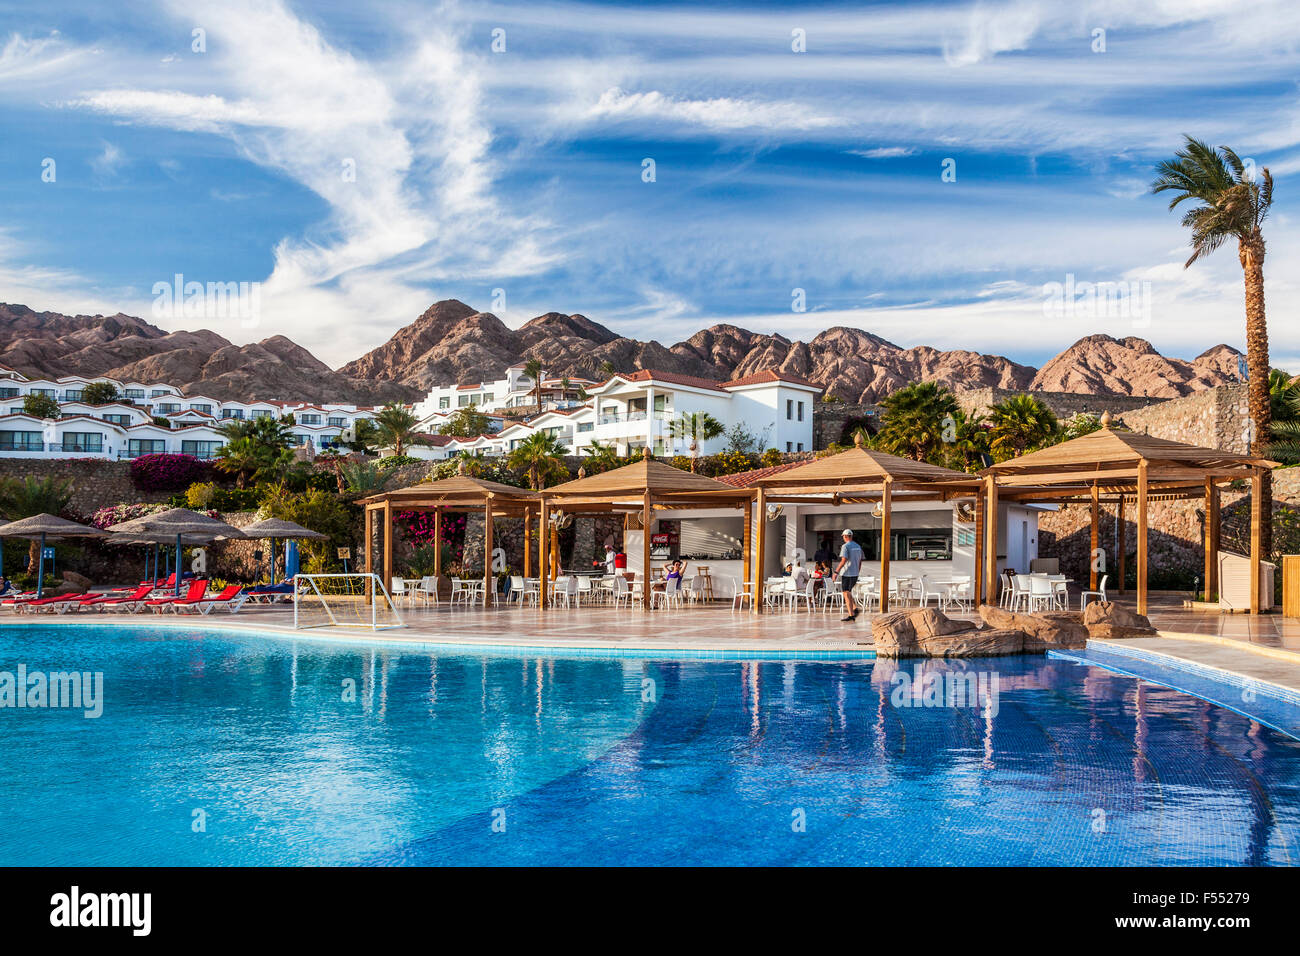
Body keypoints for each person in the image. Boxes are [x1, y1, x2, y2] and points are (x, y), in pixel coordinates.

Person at [833, 528, 864, 622]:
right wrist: (857, 571)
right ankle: (855, 609)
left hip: (847, 573)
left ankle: (851, 615)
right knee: (848, 592)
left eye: (843, 537)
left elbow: (843, 560)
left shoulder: (845, 546)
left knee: (846, 593)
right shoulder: (858, 546)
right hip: (855, 573)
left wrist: (836, 572)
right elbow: (860, 561)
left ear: (845, 536)